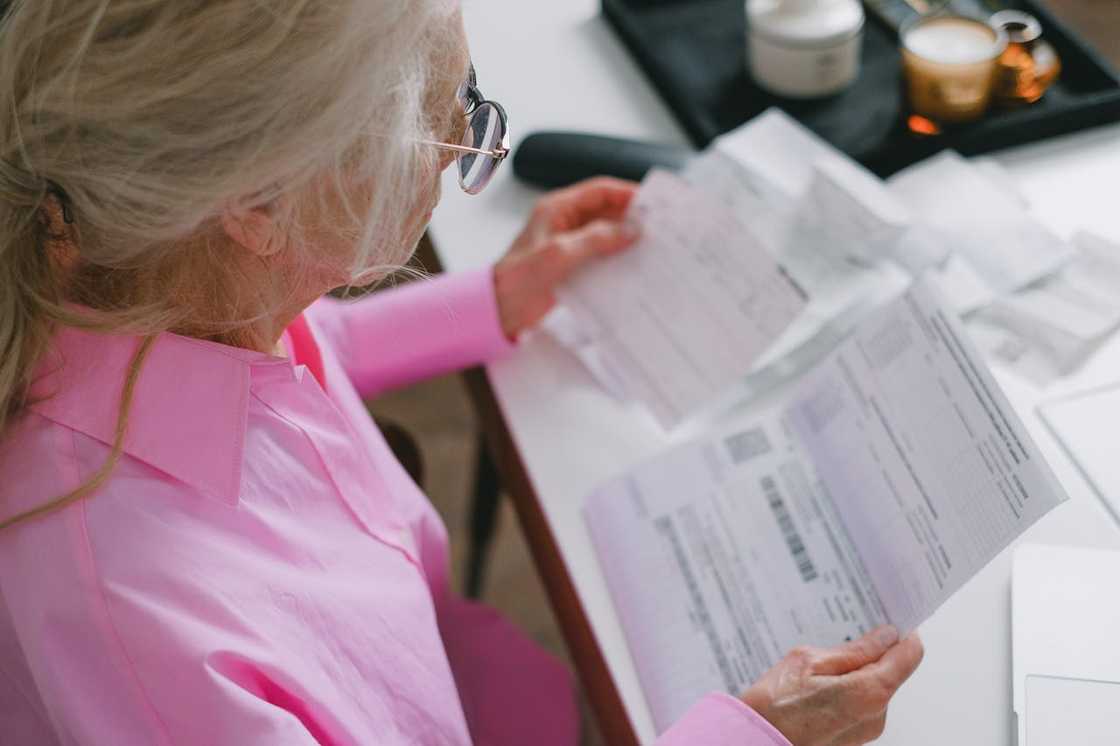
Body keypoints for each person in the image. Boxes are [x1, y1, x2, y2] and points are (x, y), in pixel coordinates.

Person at [0, 2, 923, 744]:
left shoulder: (154, 283)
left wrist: (496, 298)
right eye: (444, 121)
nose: (460, 147)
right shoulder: (156, 657)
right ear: (259, 204)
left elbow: (310, 357)